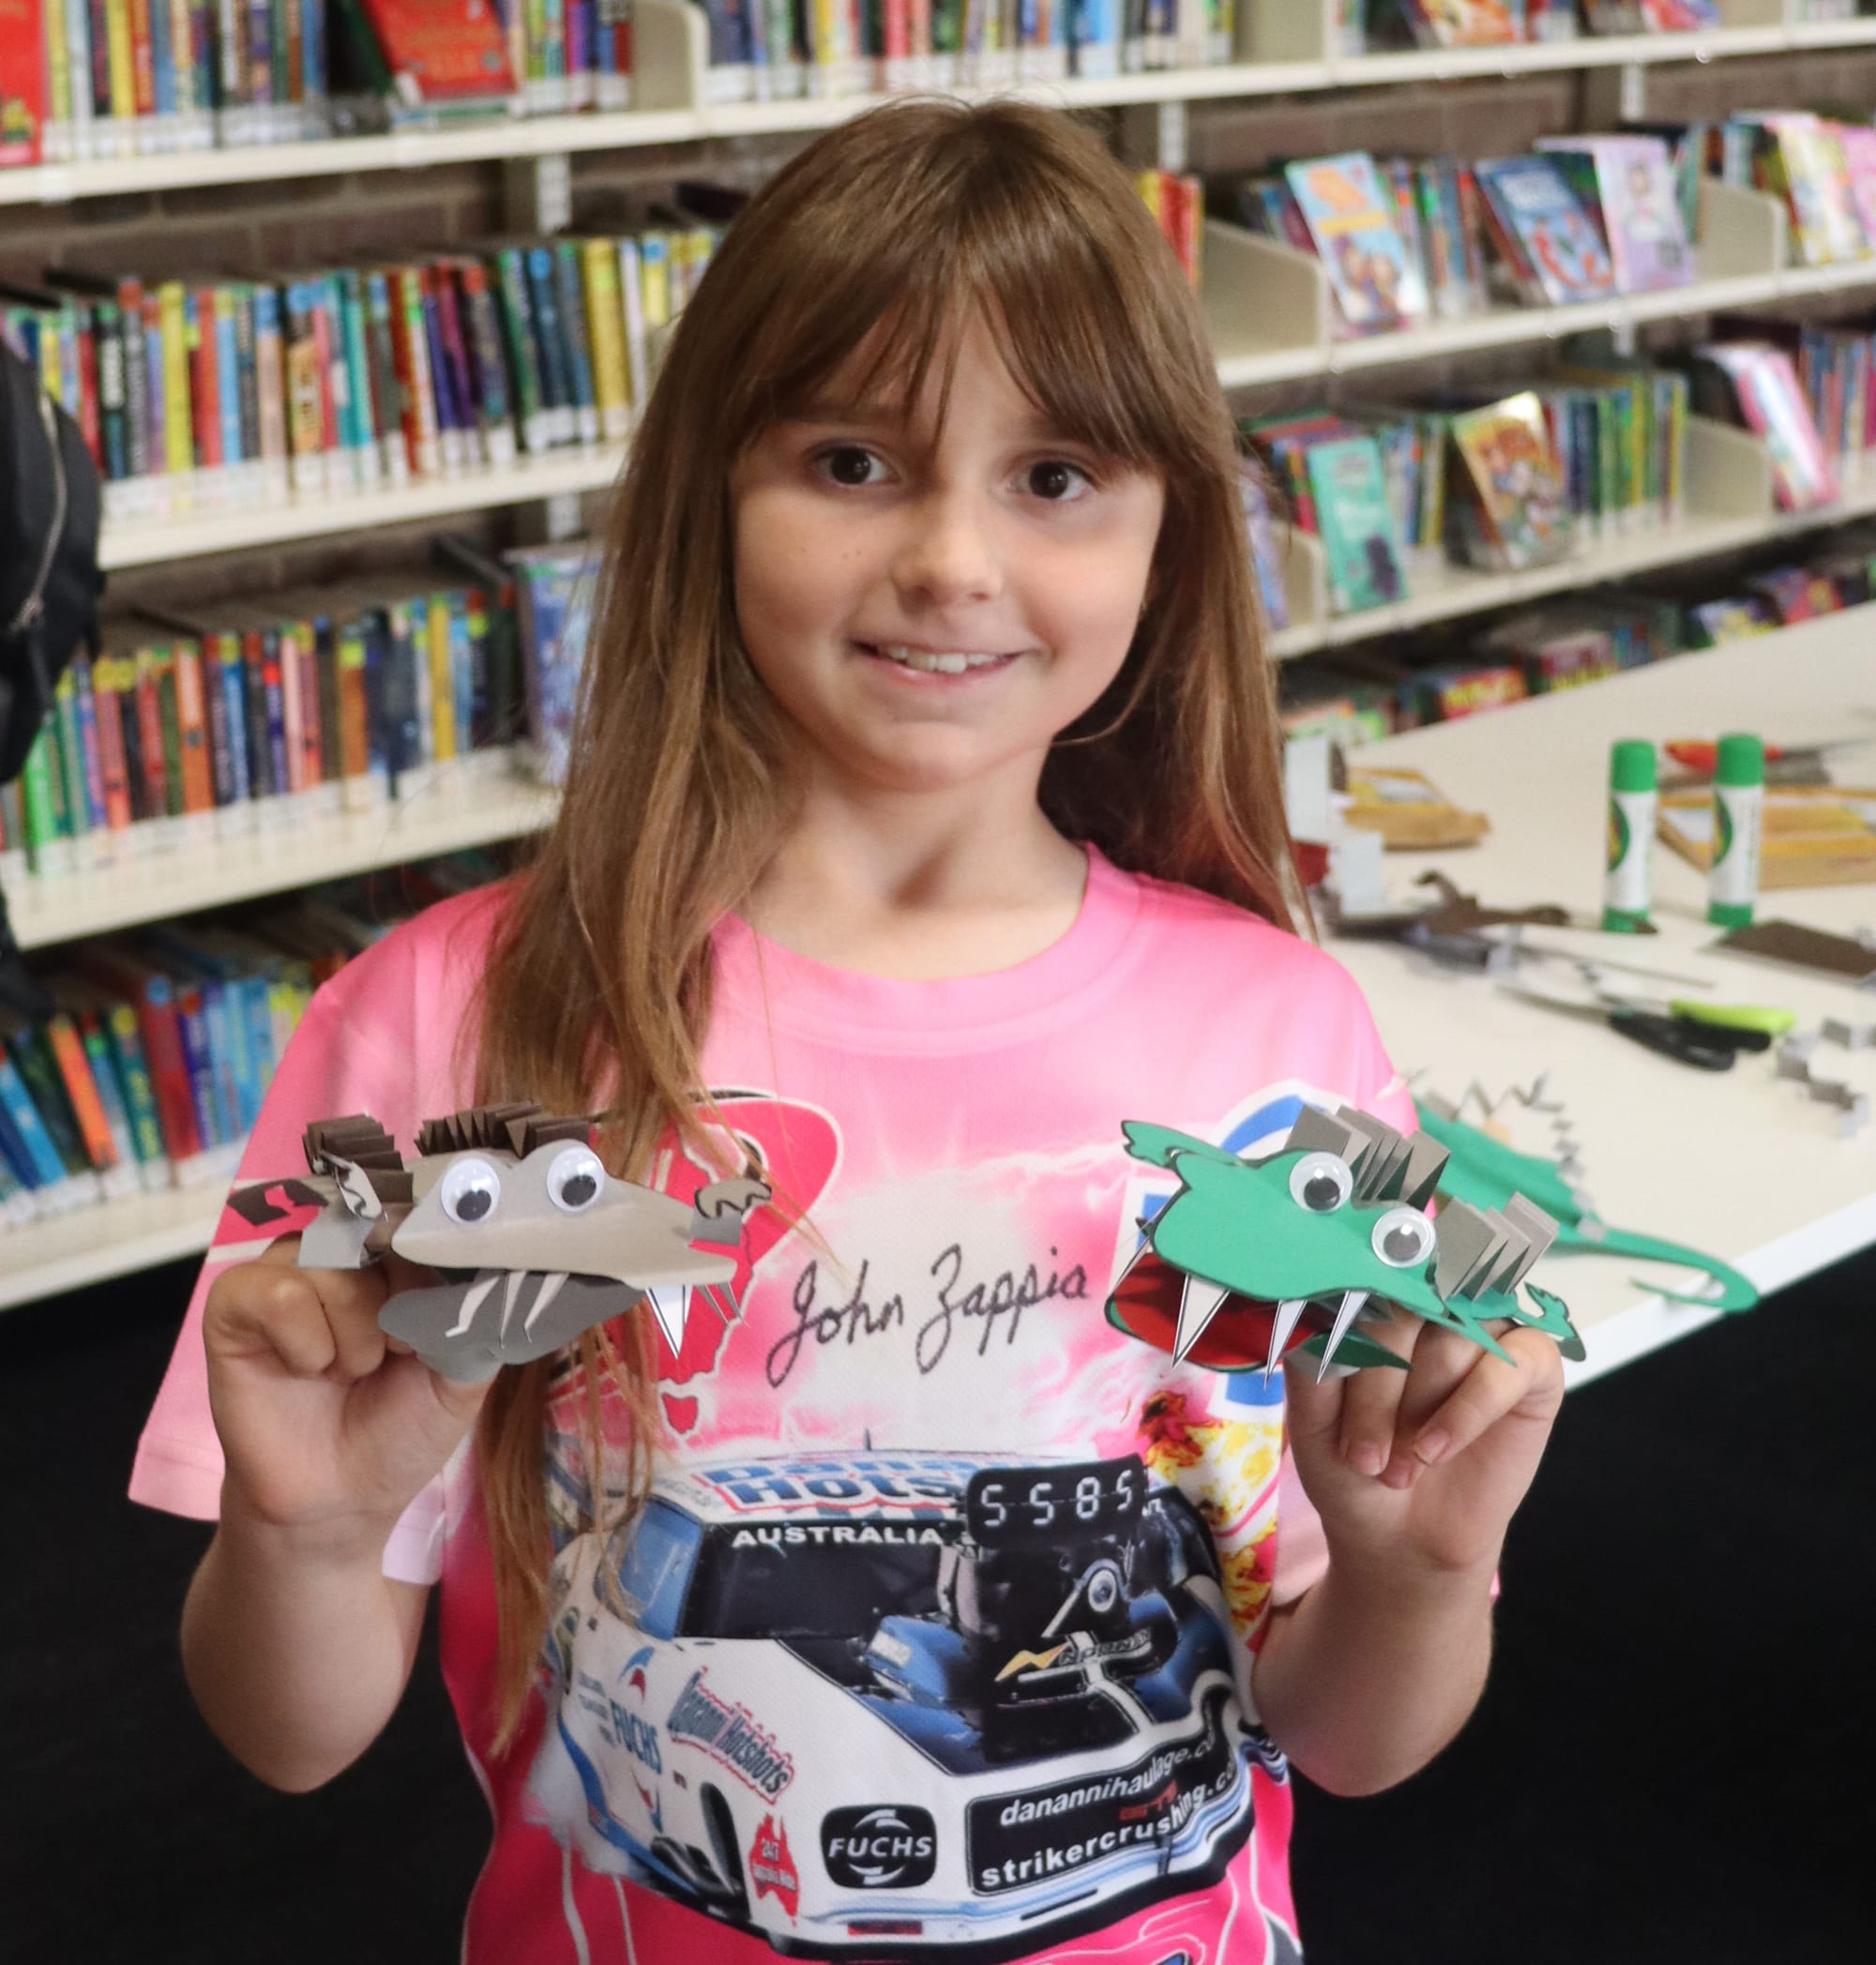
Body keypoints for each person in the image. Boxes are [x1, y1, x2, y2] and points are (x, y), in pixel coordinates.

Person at [131, 98, 1566, 1963]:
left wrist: (1421, 1571)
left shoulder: (1278, 1031)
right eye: (853, 459)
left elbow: (1344, 1739)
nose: (952, 559)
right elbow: (289, 1732)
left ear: (1170, 535)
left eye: (1055, 475)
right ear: (713, 497)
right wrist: (312, 1535)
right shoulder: (450, 1022)